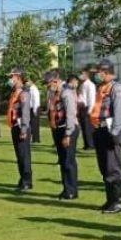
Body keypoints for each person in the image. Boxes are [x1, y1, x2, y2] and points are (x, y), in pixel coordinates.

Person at [91, 59, 121, 213]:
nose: (96, 75)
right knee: (104, 167)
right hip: (100, 129)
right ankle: (110, 200)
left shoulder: (117, 88)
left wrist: (114, 133)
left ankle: (118, 202)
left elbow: (119, 113)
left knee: (113, 167)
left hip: (111, 131)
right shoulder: (102, 87)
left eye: (98, 72)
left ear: (105, 72)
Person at [48, 70, 80, 200]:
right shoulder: (55, 93)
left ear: (56, 81)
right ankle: (67, 188)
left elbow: (71, 114)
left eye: (49, 83)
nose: (48, 87)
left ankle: (72, 190)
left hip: (68, 129)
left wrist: (67, 134)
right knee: (63, 161)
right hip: (59, 129)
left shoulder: (66, 93)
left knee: (68, 161)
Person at [8, 67, 33, 191]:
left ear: (18, 77)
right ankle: (22, 178)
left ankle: (27, 181)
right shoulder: (14, 92)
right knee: (19, 156)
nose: (10, 79)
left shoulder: (24, 93)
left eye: (12, 76)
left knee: (24, 155)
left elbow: (25, 113)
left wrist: (23, 129)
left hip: (21, 127)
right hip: (15, 126)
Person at [78, 66, 96, 151]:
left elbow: (91, 98)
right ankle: (86, 143)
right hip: (81, 107)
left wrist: (90, 110)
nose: (80, 75)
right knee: (83, 127)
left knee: (88, 127)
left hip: (87, 107)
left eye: (82, 73)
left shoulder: (90, 85)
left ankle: (90, 144)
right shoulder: (82, 84)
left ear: (86, 74)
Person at [28, 78, 42, 144]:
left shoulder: (34, 89)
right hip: (31, 108)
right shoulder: (30, 89)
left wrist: (34, 110)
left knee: (35, 124)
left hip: (35, 108)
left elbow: (36, 101)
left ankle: (36, 139)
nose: (27, 82)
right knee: (32, 124)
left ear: (31, 81)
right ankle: (34, 138)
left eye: (28, 81)